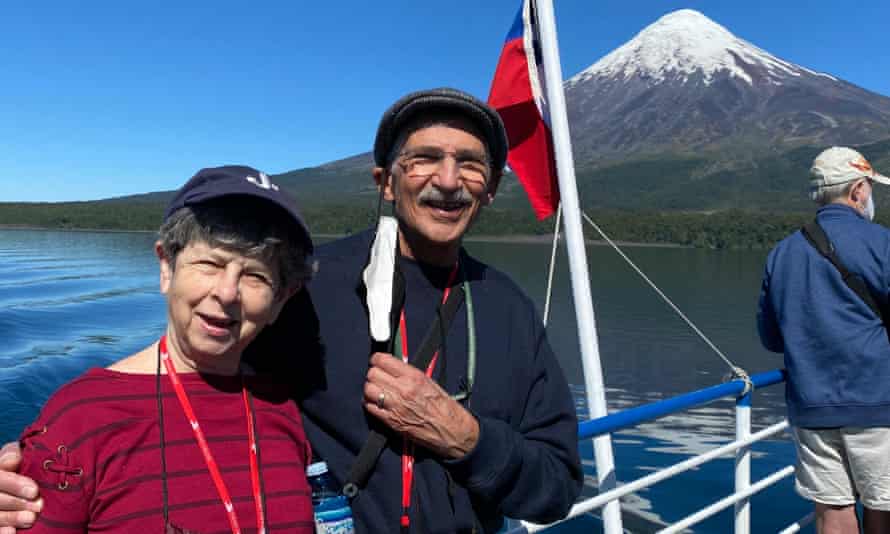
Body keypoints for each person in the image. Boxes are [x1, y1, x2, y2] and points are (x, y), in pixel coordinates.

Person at [0, 88, 582, 533]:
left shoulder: (510, 310)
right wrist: (44, 459)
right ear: (385, 181)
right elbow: (198, 372)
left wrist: (467, 439)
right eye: (424, 159)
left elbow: (556, 488)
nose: (448, 181)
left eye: (471, 165)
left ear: (491, 189)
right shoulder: (310, 287)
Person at [4, 166, 317, 533]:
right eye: (209, 264)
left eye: (256, 275)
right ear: (166, 267)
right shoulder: (84, 417)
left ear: (281, 298)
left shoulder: (282, 408)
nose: (227, 292)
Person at [757, 147, 890, 534]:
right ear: (858, 191)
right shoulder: (881, 243)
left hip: (812, 406)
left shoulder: (782, 253)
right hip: (878, 404)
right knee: (884, 508)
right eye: (869, 188)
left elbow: (769, 337)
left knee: (832, 511)